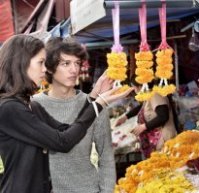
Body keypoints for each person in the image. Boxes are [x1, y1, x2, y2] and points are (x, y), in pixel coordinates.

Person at [0, 34, 133, 193]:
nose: (44, 69)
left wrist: (94, 97)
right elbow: (62, 142)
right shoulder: (9, 108)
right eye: (41, 63)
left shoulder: (31, 106)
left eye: (77, 63)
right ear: (21, 64)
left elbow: (67, 131)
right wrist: (99, 104)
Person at [32, 37, 116, 193]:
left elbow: (106, 156)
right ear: (49, 68)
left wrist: (107, 191)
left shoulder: (96, 105)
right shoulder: (33, 106)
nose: (74, 70)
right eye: (66, 63)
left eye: (77, 63)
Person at [115, 78, 177, 158]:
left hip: (164, 139)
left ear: (140, 86)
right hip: (157, 141)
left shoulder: (156, 95)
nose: (133, 90)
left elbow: (163, 116)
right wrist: (125, 117)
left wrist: (144, 126)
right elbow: (142, 107)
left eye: (133, 87)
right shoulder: (149, 95)